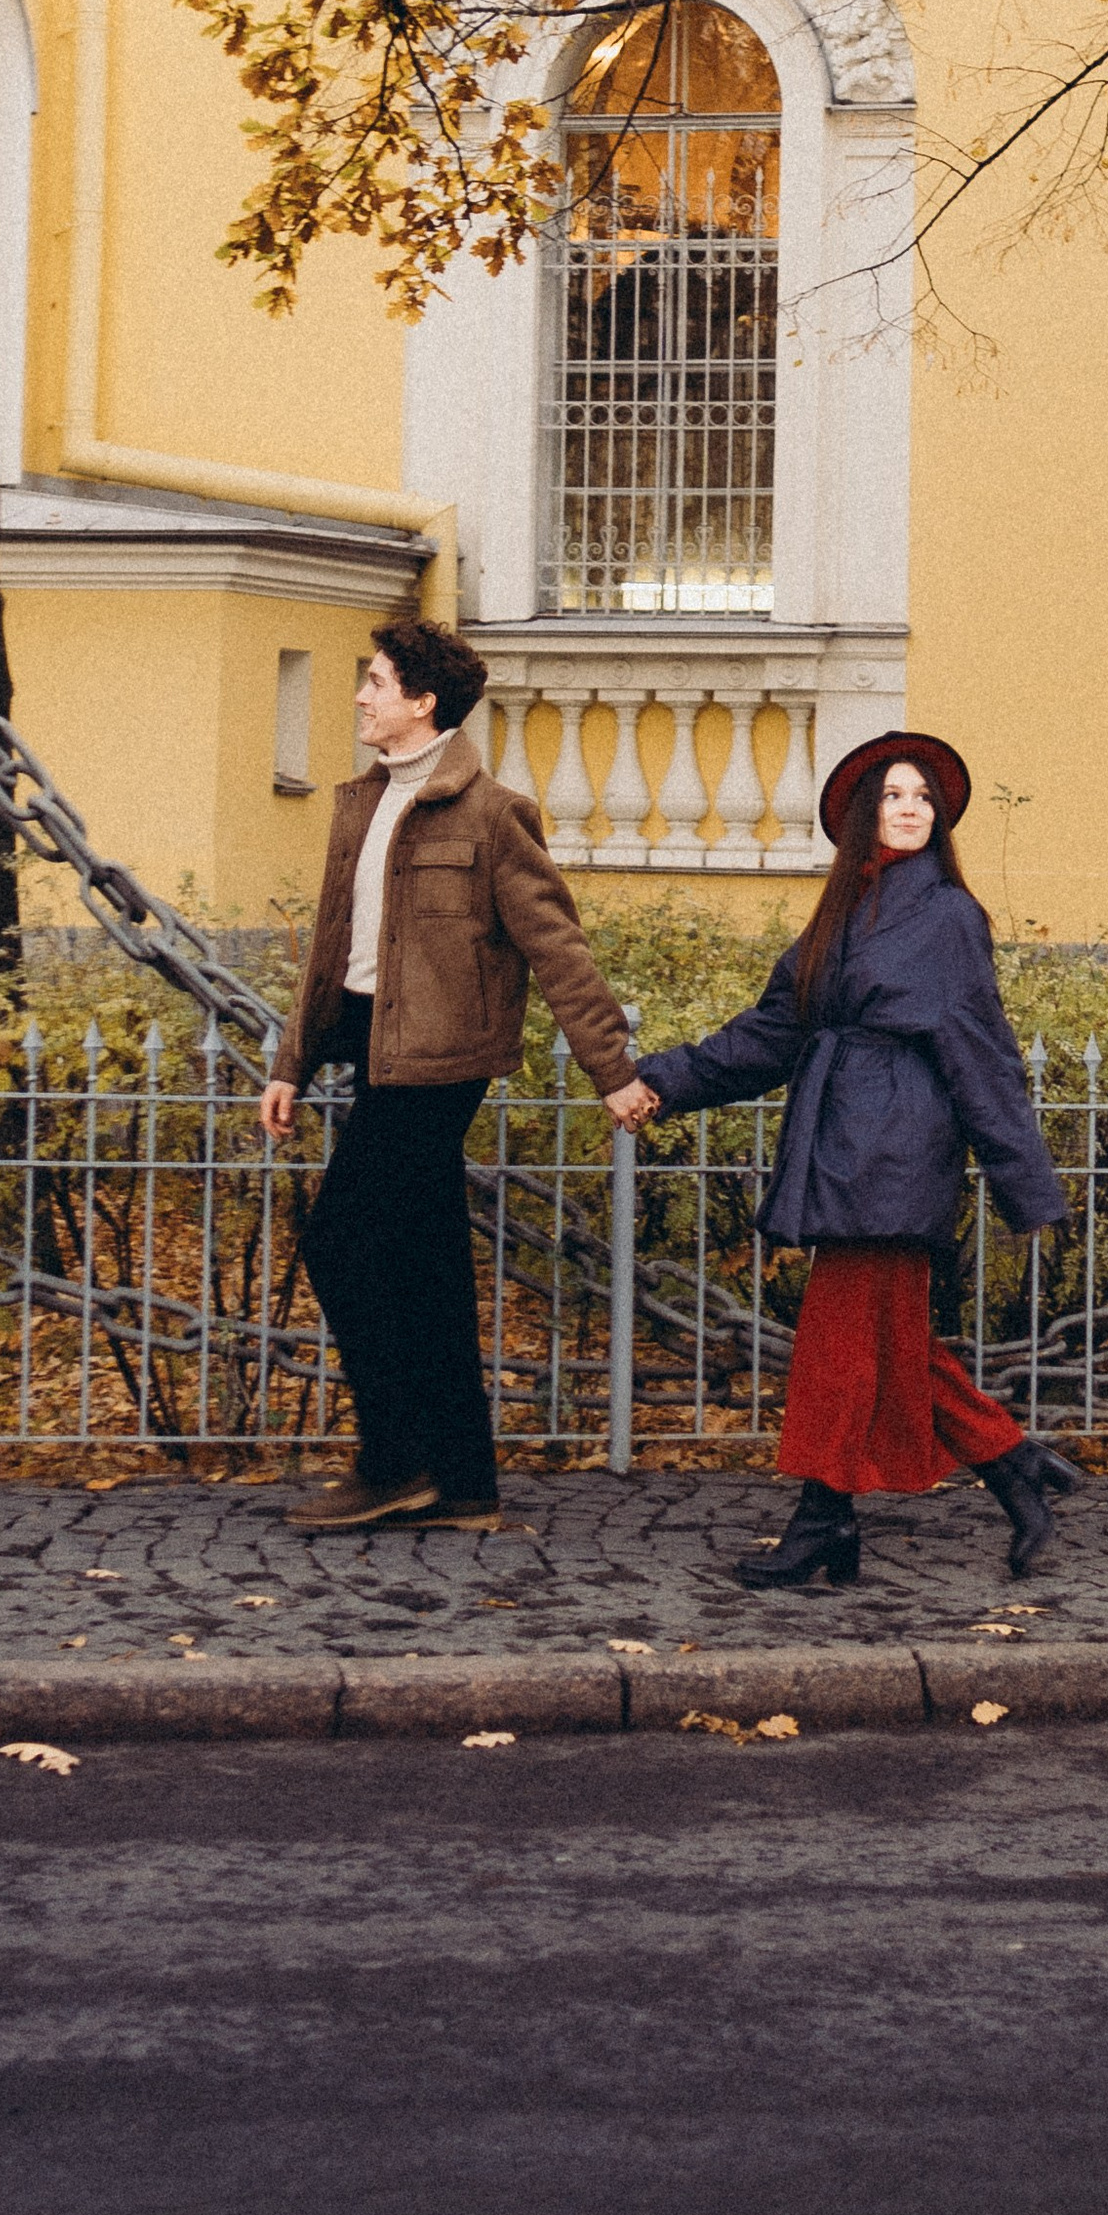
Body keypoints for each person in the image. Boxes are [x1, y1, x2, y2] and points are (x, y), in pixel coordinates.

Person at [612, 734, 1077, 1589]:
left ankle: (822, 1520)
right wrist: (660, 1082)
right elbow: (770, 1034)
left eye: (923, 799)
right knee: (887, 1341)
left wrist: (1025, 1180)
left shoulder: (946, 915)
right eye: (894, 795)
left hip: (896, 1149)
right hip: (845, 1144)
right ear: (865, 814)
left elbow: (980, 1049)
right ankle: (1014, 1469)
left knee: (838, 1343)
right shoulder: (843, 914)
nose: (909, 808)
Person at [263, 618, 646, 1534]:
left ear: (422, 703)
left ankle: (395, 1461)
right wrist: (293, 1063)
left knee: (339, 1242)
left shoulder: (488, 812)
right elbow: (332, 949)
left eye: (376, 682)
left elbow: (557, 946)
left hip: (439, 1065)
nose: (360, 695)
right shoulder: (360, 803)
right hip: (369, 1044)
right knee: (427, 1267)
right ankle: (464, 1480)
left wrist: (613, 1071)